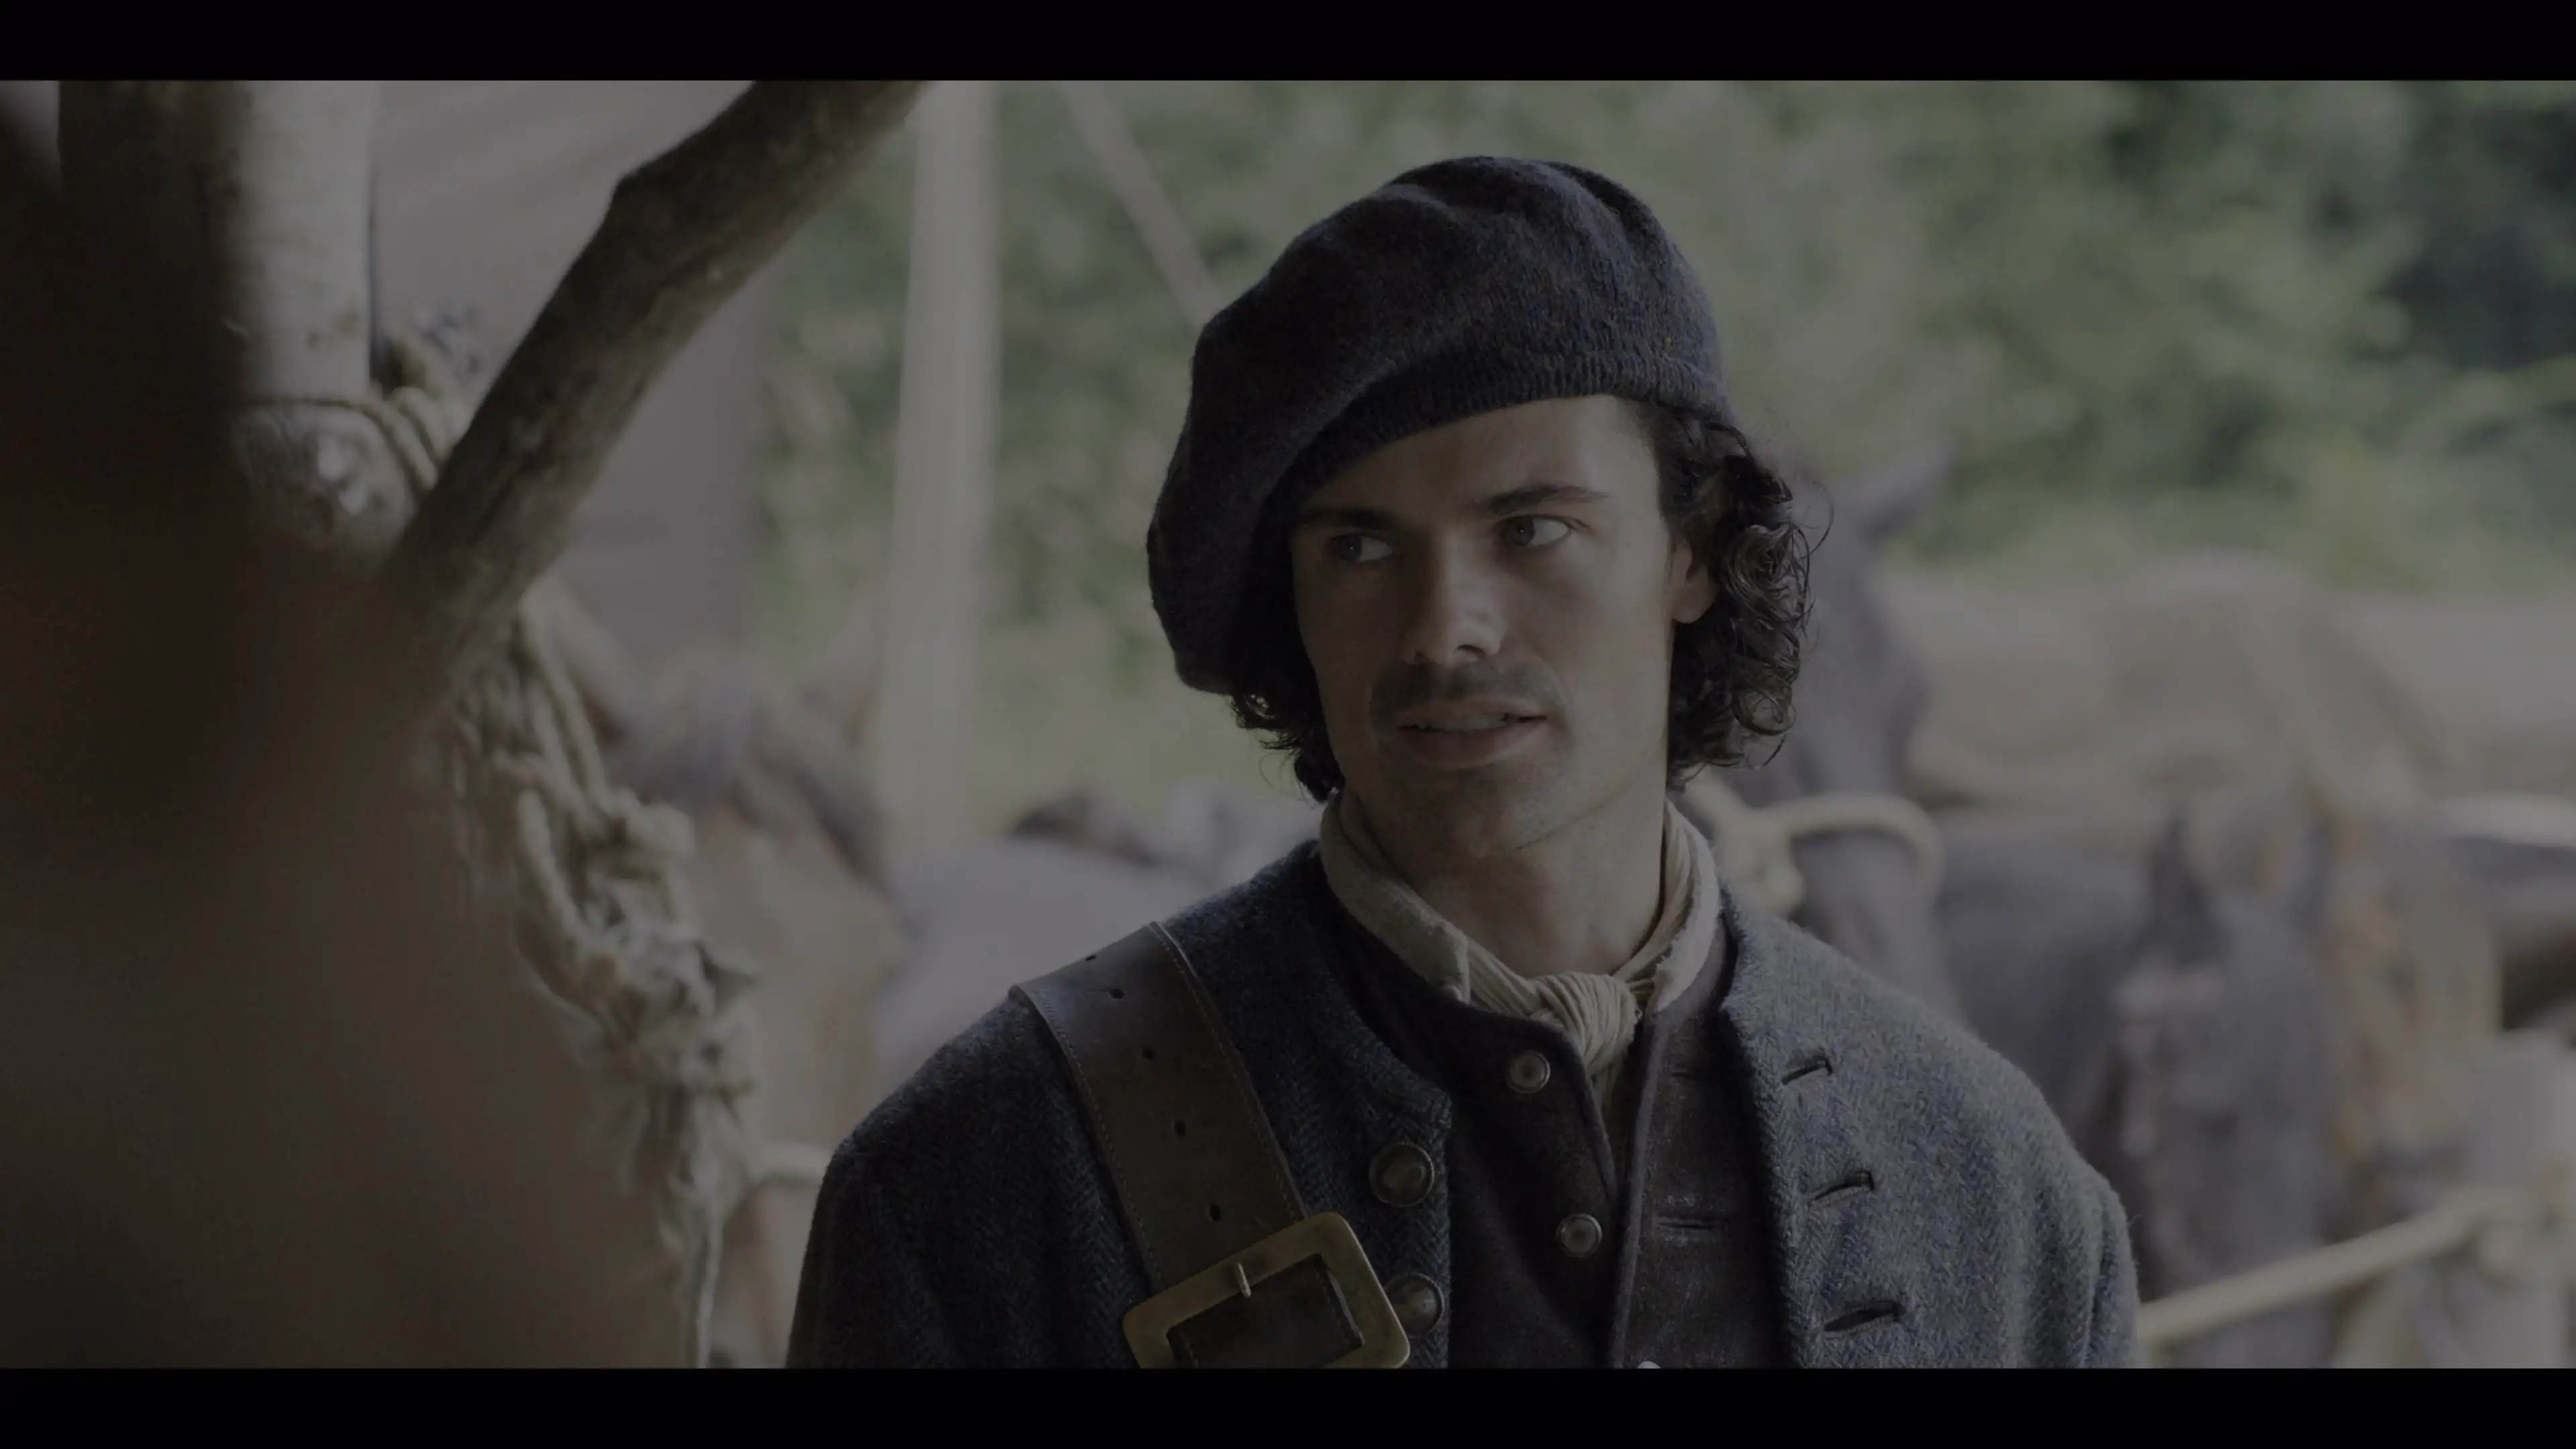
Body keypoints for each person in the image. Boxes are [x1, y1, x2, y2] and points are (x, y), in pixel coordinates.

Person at [788, 156, 2139, 1368]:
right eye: (1360, 547)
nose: (1445, 629)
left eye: (1532, 530)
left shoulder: (2003, 1195)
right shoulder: (980, 1182)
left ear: (1691, 549)